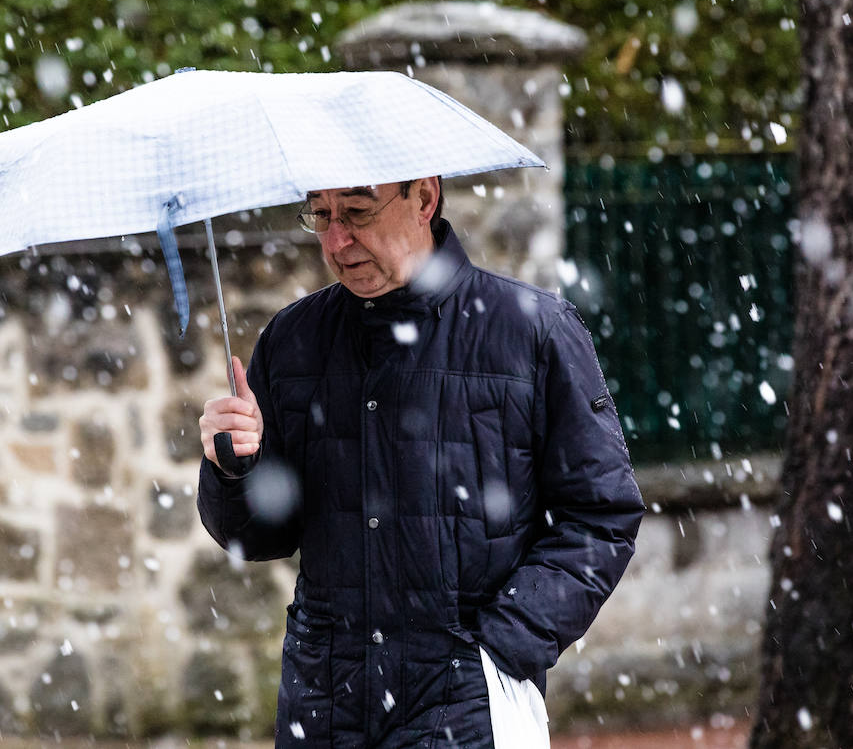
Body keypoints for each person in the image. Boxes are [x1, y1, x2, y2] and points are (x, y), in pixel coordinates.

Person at [197, 177, 643, 747]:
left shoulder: (531, 331)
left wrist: (502, 644)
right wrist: (234, 469)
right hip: (324, 708)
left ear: (424, 200)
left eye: (357, 212)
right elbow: (259, 535)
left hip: (466, 707)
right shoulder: (293, 340)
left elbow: (601, 515)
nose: (336, 241)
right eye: (320, 216)